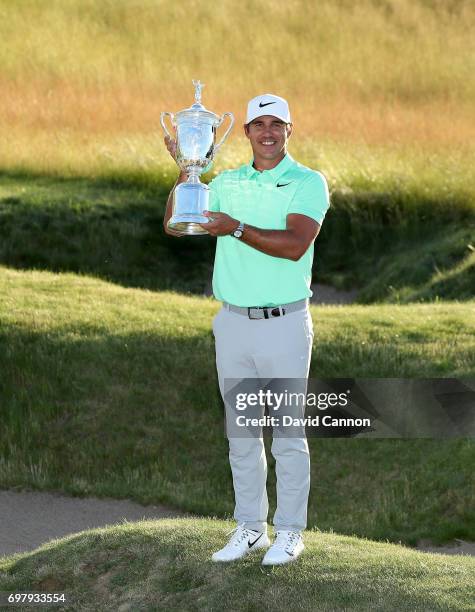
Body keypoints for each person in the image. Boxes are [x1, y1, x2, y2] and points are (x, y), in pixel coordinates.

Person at [163, 93, 330, 565]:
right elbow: (178, 224)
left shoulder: (307, 181)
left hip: (284, 323)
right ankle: (251, 528)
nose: (268, 132)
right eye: (260, 125)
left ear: (289, 131)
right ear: (247, 132)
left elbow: (295, 244)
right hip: (233, 323)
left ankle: (291, 532)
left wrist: (236, 228)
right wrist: (186, 169)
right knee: (242, 433)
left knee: (288, 436)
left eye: (277, 124)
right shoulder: (230, 182)